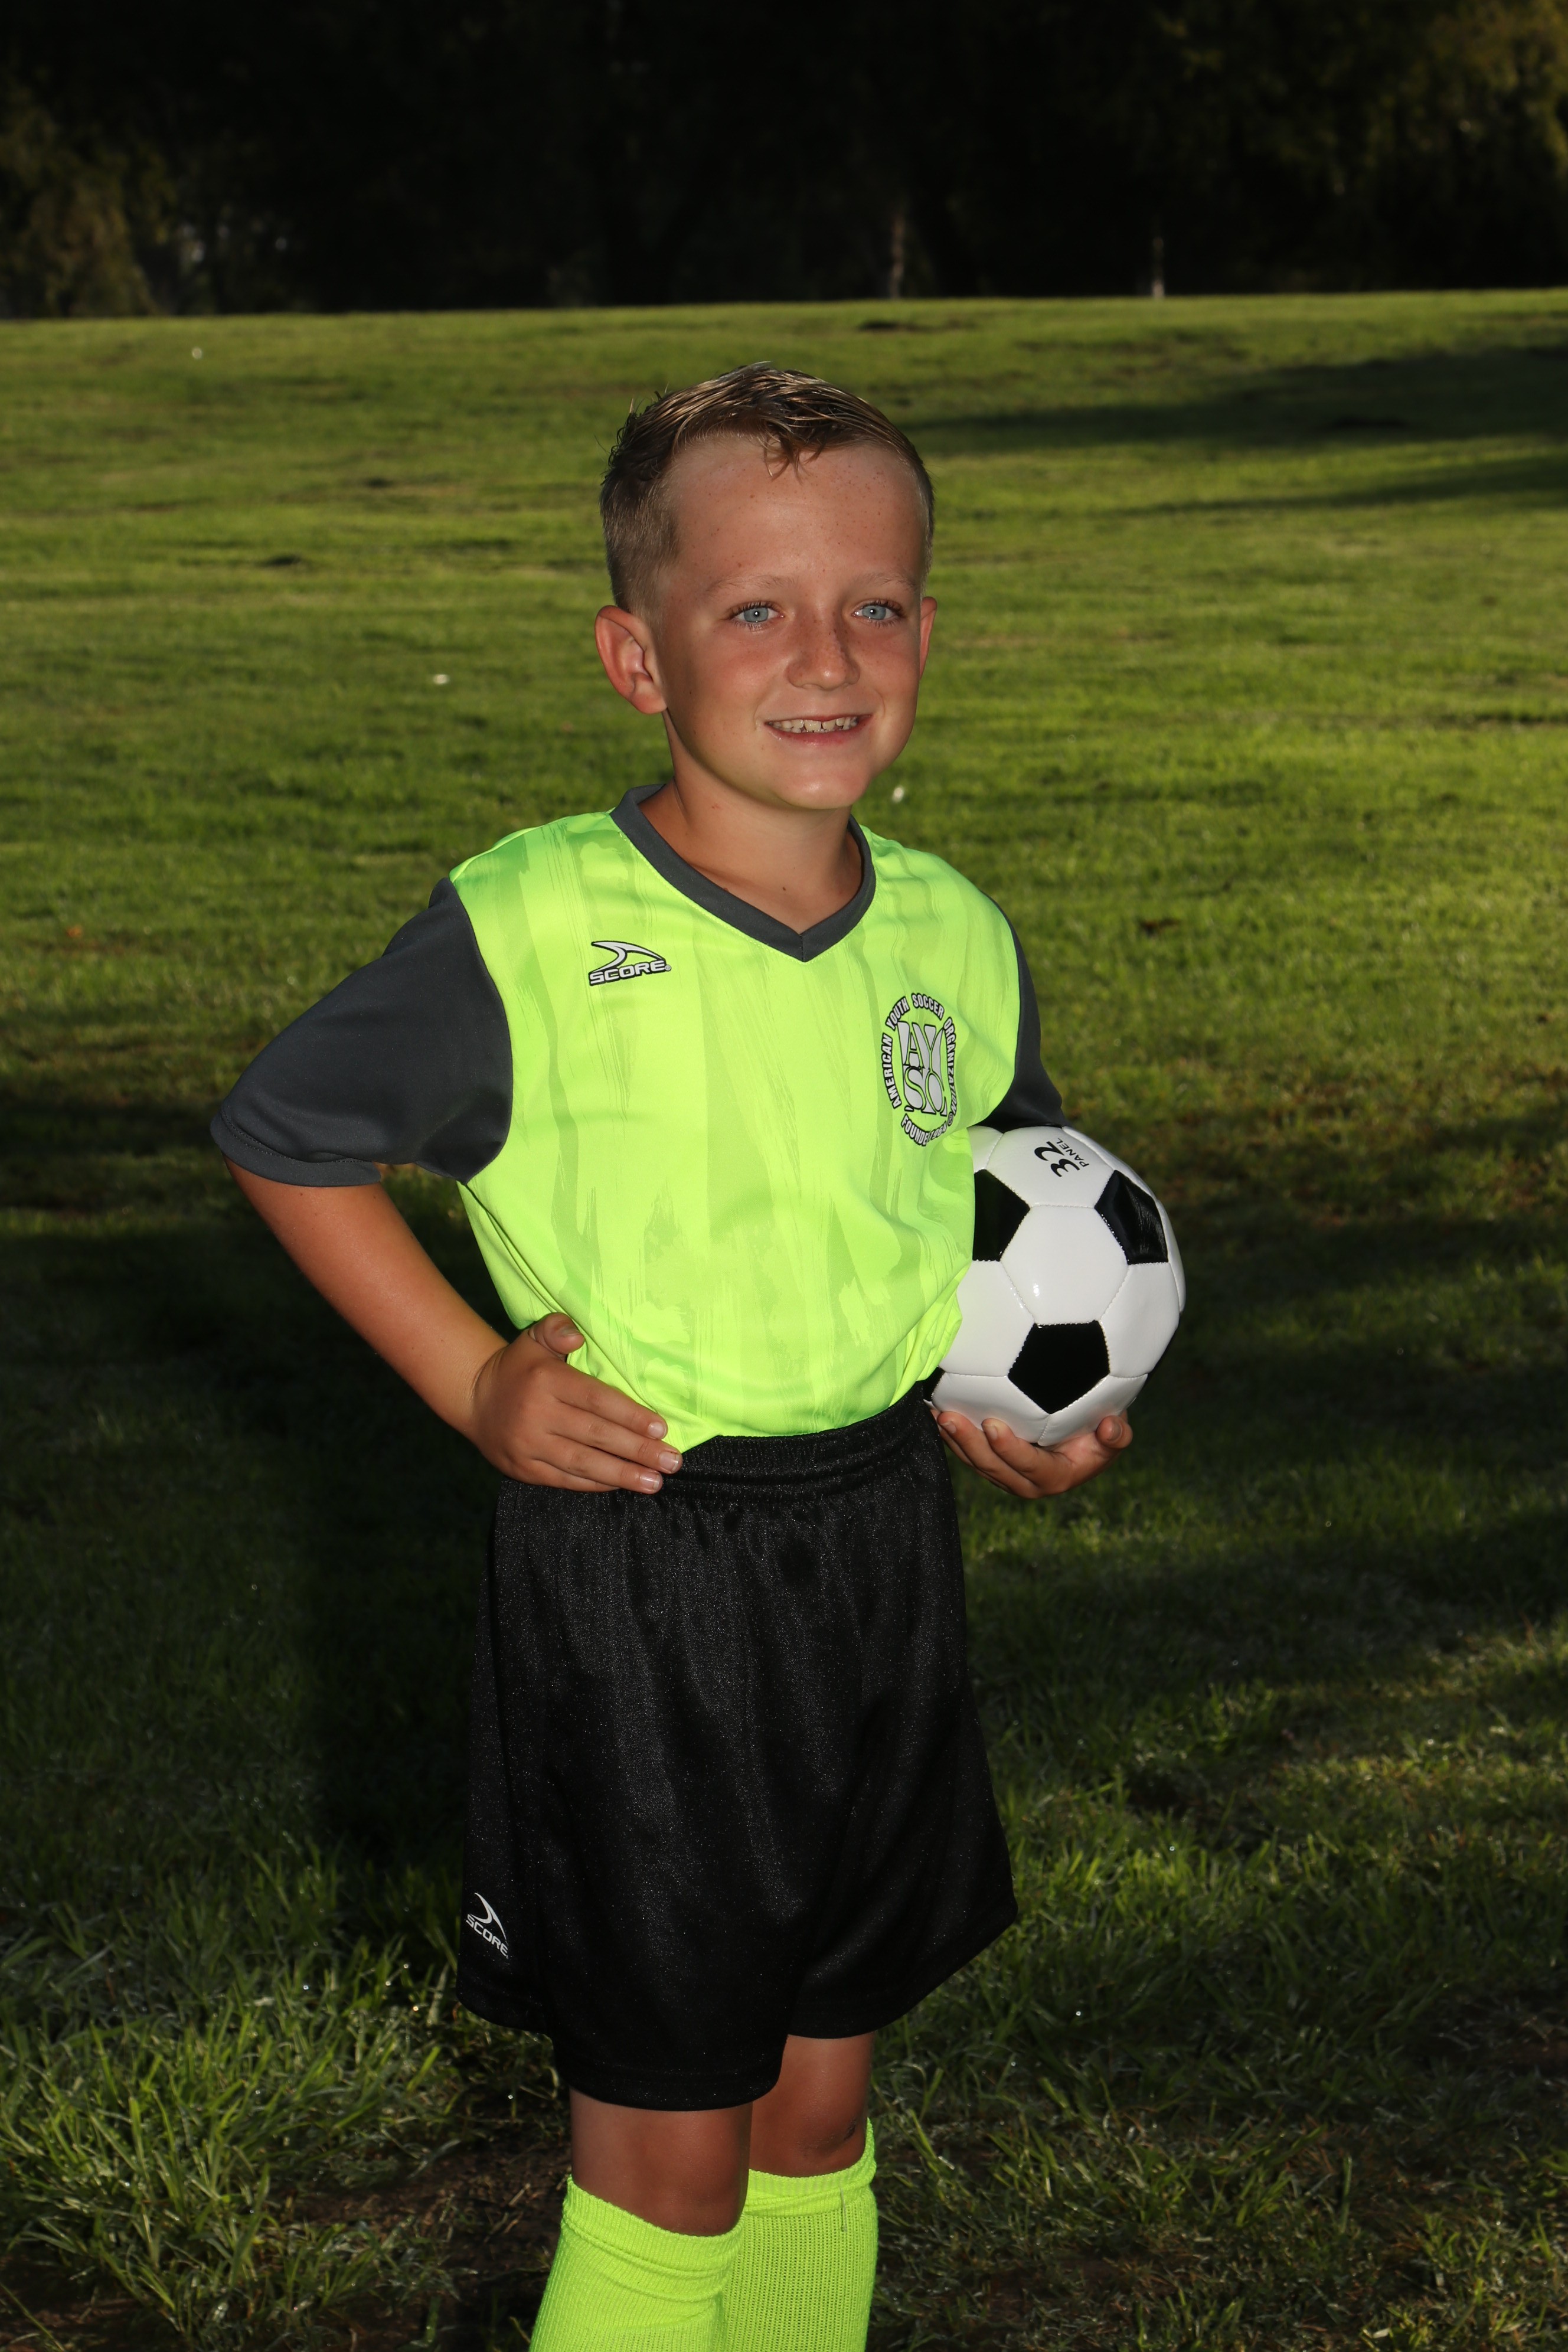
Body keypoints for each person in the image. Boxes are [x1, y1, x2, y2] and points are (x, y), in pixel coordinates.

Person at [213, 364, 1132, 2351]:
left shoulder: (956, 939)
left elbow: (993, 1204)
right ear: (638, 657)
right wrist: (474, 1382)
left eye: (873, 605)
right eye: (756, 609)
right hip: (643, 1571)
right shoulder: (535, 929)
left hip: (877, 1559)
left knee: (815, 2112)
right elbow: (287, 1134)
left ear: (931, 631)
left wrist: (1004, 1395)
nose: (827, 656)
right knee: (671, 2155)